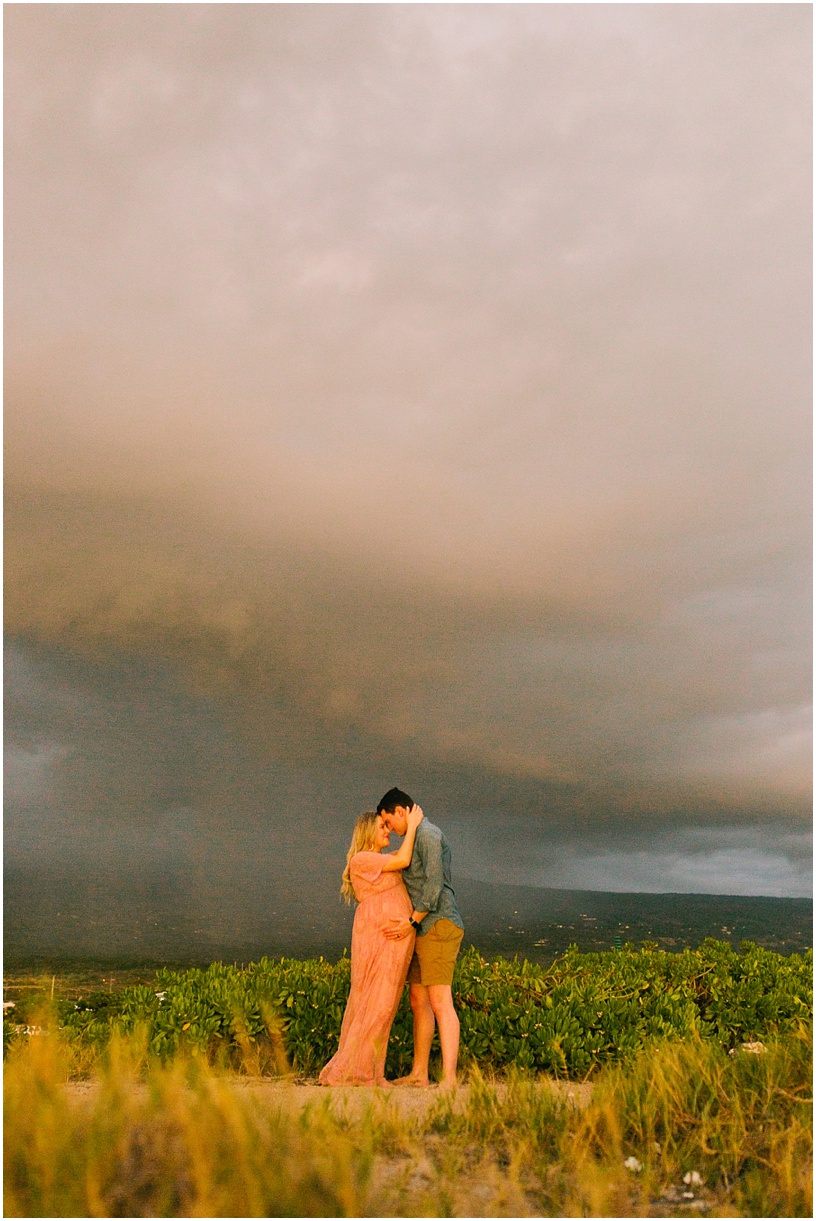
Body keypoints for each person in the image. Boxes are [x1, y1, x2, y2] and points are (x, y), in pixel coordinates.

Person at [319, 803, 424, 1087]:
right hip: (380, 937)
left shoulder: (379, 858)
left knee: (385, 1005)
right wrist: (411, 825)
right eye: (382, 826)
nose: (387, 829)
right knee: (374, 1002)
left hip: (395, 938)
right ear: (367, 833)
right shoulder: (363, 860)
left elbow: (406, 858)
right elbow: (403, 860)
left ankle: (371, 1071)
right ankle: (357, 1070)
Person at [378, 787, 465, 1089]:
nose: (390, 829)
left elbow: (434, 885)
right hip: (420, 928)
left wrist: (411, 923)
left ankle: (449, 1078)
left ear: (400, 812)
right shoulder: (414, 836)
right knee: (418, 1000)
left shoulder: (428, 834)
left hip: (437, 923)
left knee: (441, 1000)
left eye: (389, 822)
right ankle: (419, 1073)